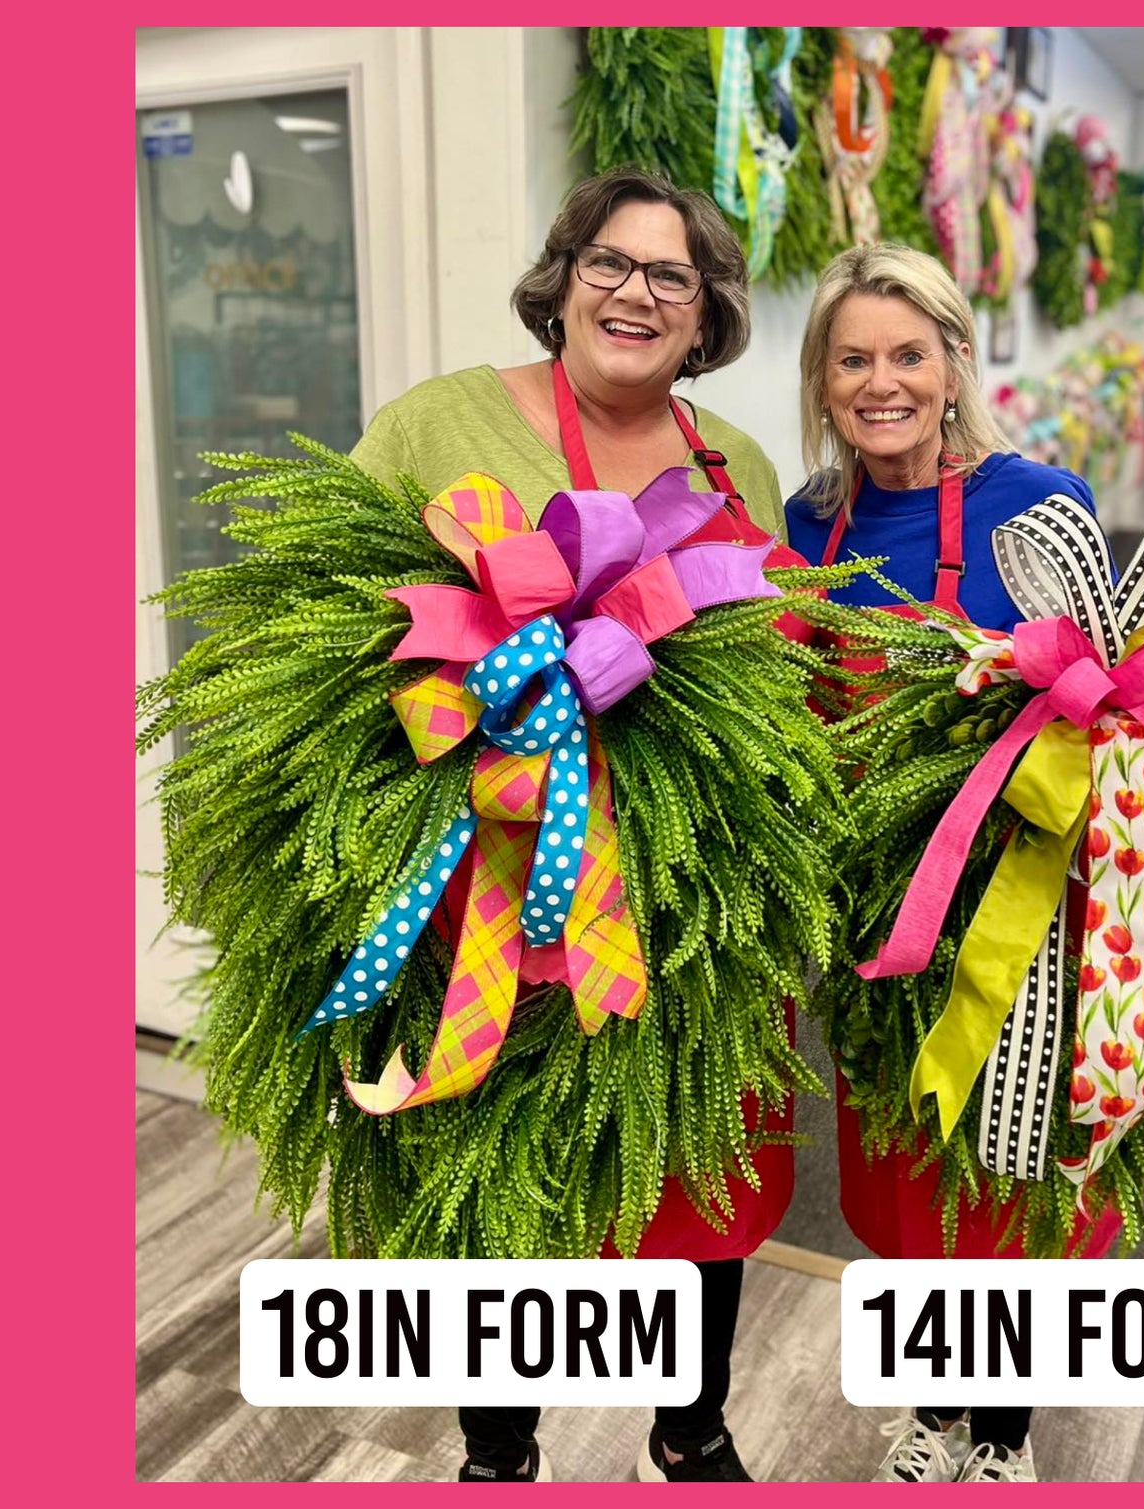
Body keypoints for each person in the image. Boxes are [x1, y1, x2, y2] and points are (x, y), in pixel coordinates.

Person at [350, 166, 792, 1485]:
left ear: (707, 313)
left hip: (681, 906)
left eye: (672, 275)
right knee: (498, 1178)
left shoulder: (738, 464)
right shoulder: (439, 423)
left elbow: (779, 678)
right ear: (562, 279)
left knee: (690, 1166)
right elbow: (329, 620)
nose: (635, 293)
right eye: (609, 262)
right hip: (489, 892)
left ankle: (689, 1428)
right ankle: (500, 1449)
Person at [784, 243, 1104, 1484]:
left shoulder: (1041, 502)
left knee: (1007, 1163)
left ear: (956, 362)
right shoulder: (811, 521)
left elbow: (1110, 700)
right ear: (822, 381)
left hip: (1014, 900)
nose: (882, 384)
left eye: (908, 354)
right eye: (852, 359)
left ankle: (1005, 1435)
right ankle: (933, 1405)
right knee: (908, 1165)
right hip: (872, 908)